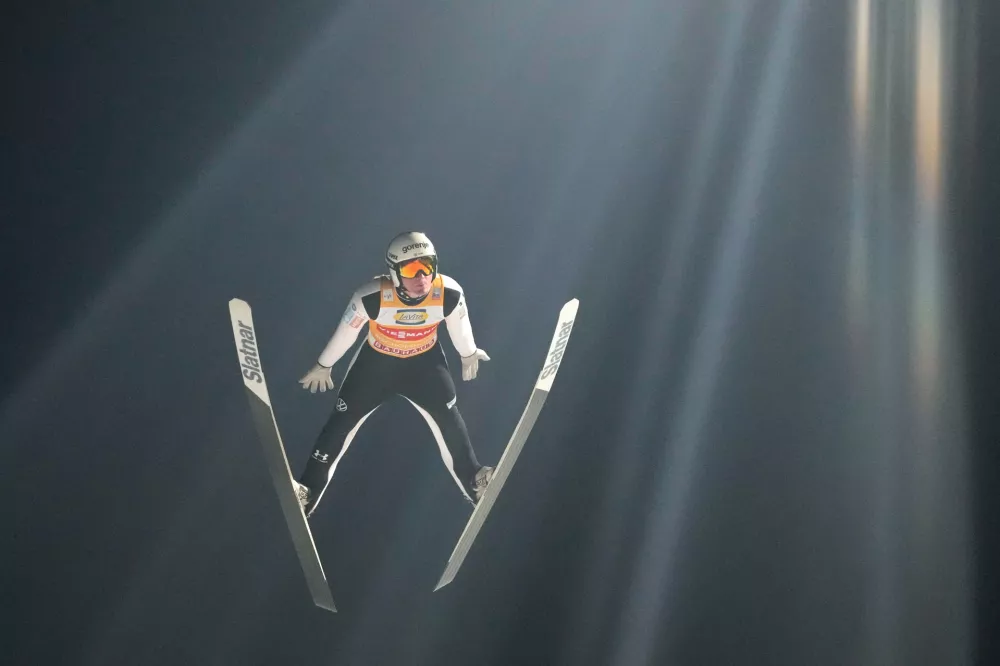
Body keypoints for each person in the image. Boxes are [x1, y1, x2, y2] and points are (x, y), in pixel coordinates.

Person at [293, 231, 493, 517]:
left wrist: (468, 352)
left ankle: (474, 481)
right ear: (394, 272)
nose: (422, 277)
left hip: (424, 365)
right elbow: (346, 334)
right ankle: (307, 492)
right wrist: (325, 364)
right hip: (376, 366)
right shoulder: (371, 297)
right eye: (411, 269)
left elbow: (459, 327)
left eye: (428, 265)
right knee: (340, 423)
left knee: (449, 417)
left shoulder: (449, 293)